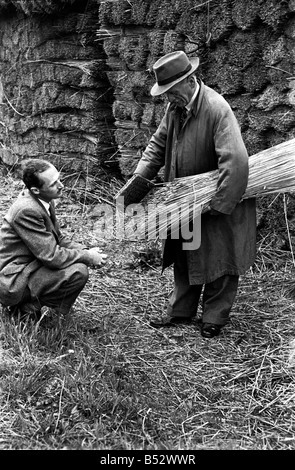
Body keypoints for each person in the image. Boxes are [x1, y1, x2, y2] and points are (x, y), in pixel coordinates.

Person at [133, 50, 256, 338]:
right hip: (185, 201)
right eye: (165, 93)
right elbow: (157, 145)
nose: (167, 98)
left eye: (171, 91)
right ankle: (180, 312)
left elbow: (235, 161)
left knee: (221, 258)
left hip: (219, 199)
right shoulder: (174, 108)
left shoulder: (216, 108)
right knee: (185, 253)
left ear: (190, 81)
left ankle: (214, 318)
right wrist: (139, 179)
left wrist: (221, 203)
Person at [0, 159, 107, 321]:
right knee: (78, 272)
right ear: (36, 190)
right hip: (12, 280)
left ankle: (29, 305)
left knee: (77, 266)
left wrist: (86, 250)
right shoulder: (27, 210)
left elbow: (58, 238)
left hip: (28, 266)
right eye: (53, 184)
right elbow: (51, 256)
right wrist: (87, 257)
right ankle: (25, 309)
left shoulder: (41, 200)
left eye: (59, 179)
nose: (61, 185)